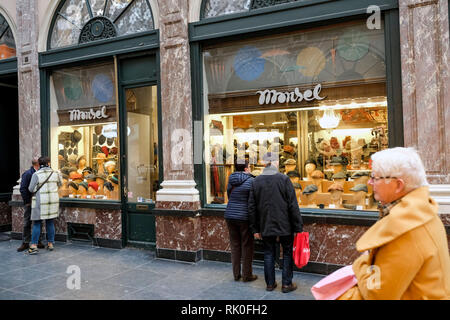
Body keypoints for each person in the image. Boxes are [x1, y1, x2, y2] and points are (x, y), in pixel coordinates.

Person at [338, 147, 450, 300]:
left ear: (398, 185)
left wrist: (361, 264)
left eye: (375, 178)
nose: (370, 182)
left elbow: (376, 295)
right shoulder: (421, 212)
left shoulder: (405, 228)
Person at [249, 152, 303, 293]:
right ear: (274, 162)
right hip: (285, 224)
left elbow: (252, 207)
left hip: (265, 224)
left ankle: (270, 284)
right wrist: (298, 226)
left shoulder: (256, 181)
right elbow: (293, 204)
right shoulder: (284, 179)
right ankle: (286, 284)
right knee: (286, 253)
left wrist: (255, 229)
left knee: (268, 253)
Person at [224, 159, 257, 282]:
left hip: (230, 215)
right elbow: (252, 201)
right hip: (244, 217)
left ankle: (236, 274)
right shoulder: (251, 181)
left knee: (235, 245)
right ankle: (247, 275)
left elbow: (229, 195)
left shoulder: (231, 179)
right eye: (249, 167)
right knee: (247, 246)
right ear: (246, 169)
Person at [27, 156, 63, 254]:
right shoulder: (56, 173)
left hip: (40, 201)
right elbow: (60, 184)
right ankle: (50, 243)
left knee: (37, 223)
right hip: (53, 201)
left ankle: (34, 245)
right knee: (50, 222)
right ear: (49, 163)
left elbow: (30, 189)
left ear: (39, 164)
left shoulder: (36, 174)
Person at [17, 157, 44, 252]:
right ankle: (25, 242)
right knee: (27, 222)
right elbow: (23, 189)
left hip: (38, 202)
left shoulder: (40, 173)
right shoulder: (28, 174)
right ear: (37, 164)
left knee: (38, 222)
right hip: (30, 202)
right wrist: (27, 202)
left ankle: (38, 241)